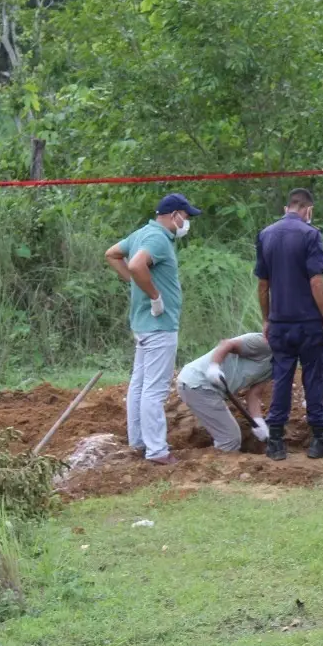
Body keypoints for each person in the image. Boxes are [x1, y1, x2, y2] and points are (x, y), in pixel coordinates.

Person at [104, 193, 202, 465]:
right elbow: (135, 265)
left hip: (144, 325)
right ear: (175, 215)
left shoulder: (142, 233)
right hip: (159, 325)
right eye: (186, 216)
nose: (187, 222)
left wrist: (136, 283)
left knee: (139, 385)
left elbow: (113, 254)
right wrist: (155, 296)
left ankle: (138, 441)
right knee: (154, 390)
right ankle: (157, 450)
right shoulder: (158, 238)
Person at [255, 188, 323, 461]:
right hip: (308, 324)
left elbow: (263, 285)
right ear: (308, 210)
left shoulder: (266, 235)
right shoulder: (310, 234)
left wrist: (267, 319)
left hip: (280, 323)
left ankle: (276, 442)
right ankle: (318, 440)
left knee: (281, 379)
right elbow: (316, 281)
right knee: (314, 377)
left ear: (286, 207)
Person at [176, 334, 273, 453]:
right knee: (230, 439)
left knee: (230, 438)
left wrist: (258, 421)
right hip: (198, 382)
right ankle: (216, 468)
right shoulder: (264, 343)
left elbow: (254, 394)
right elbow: (227, 344)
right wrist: (214, 366)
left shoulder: (279, 365)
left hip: (207, 390)